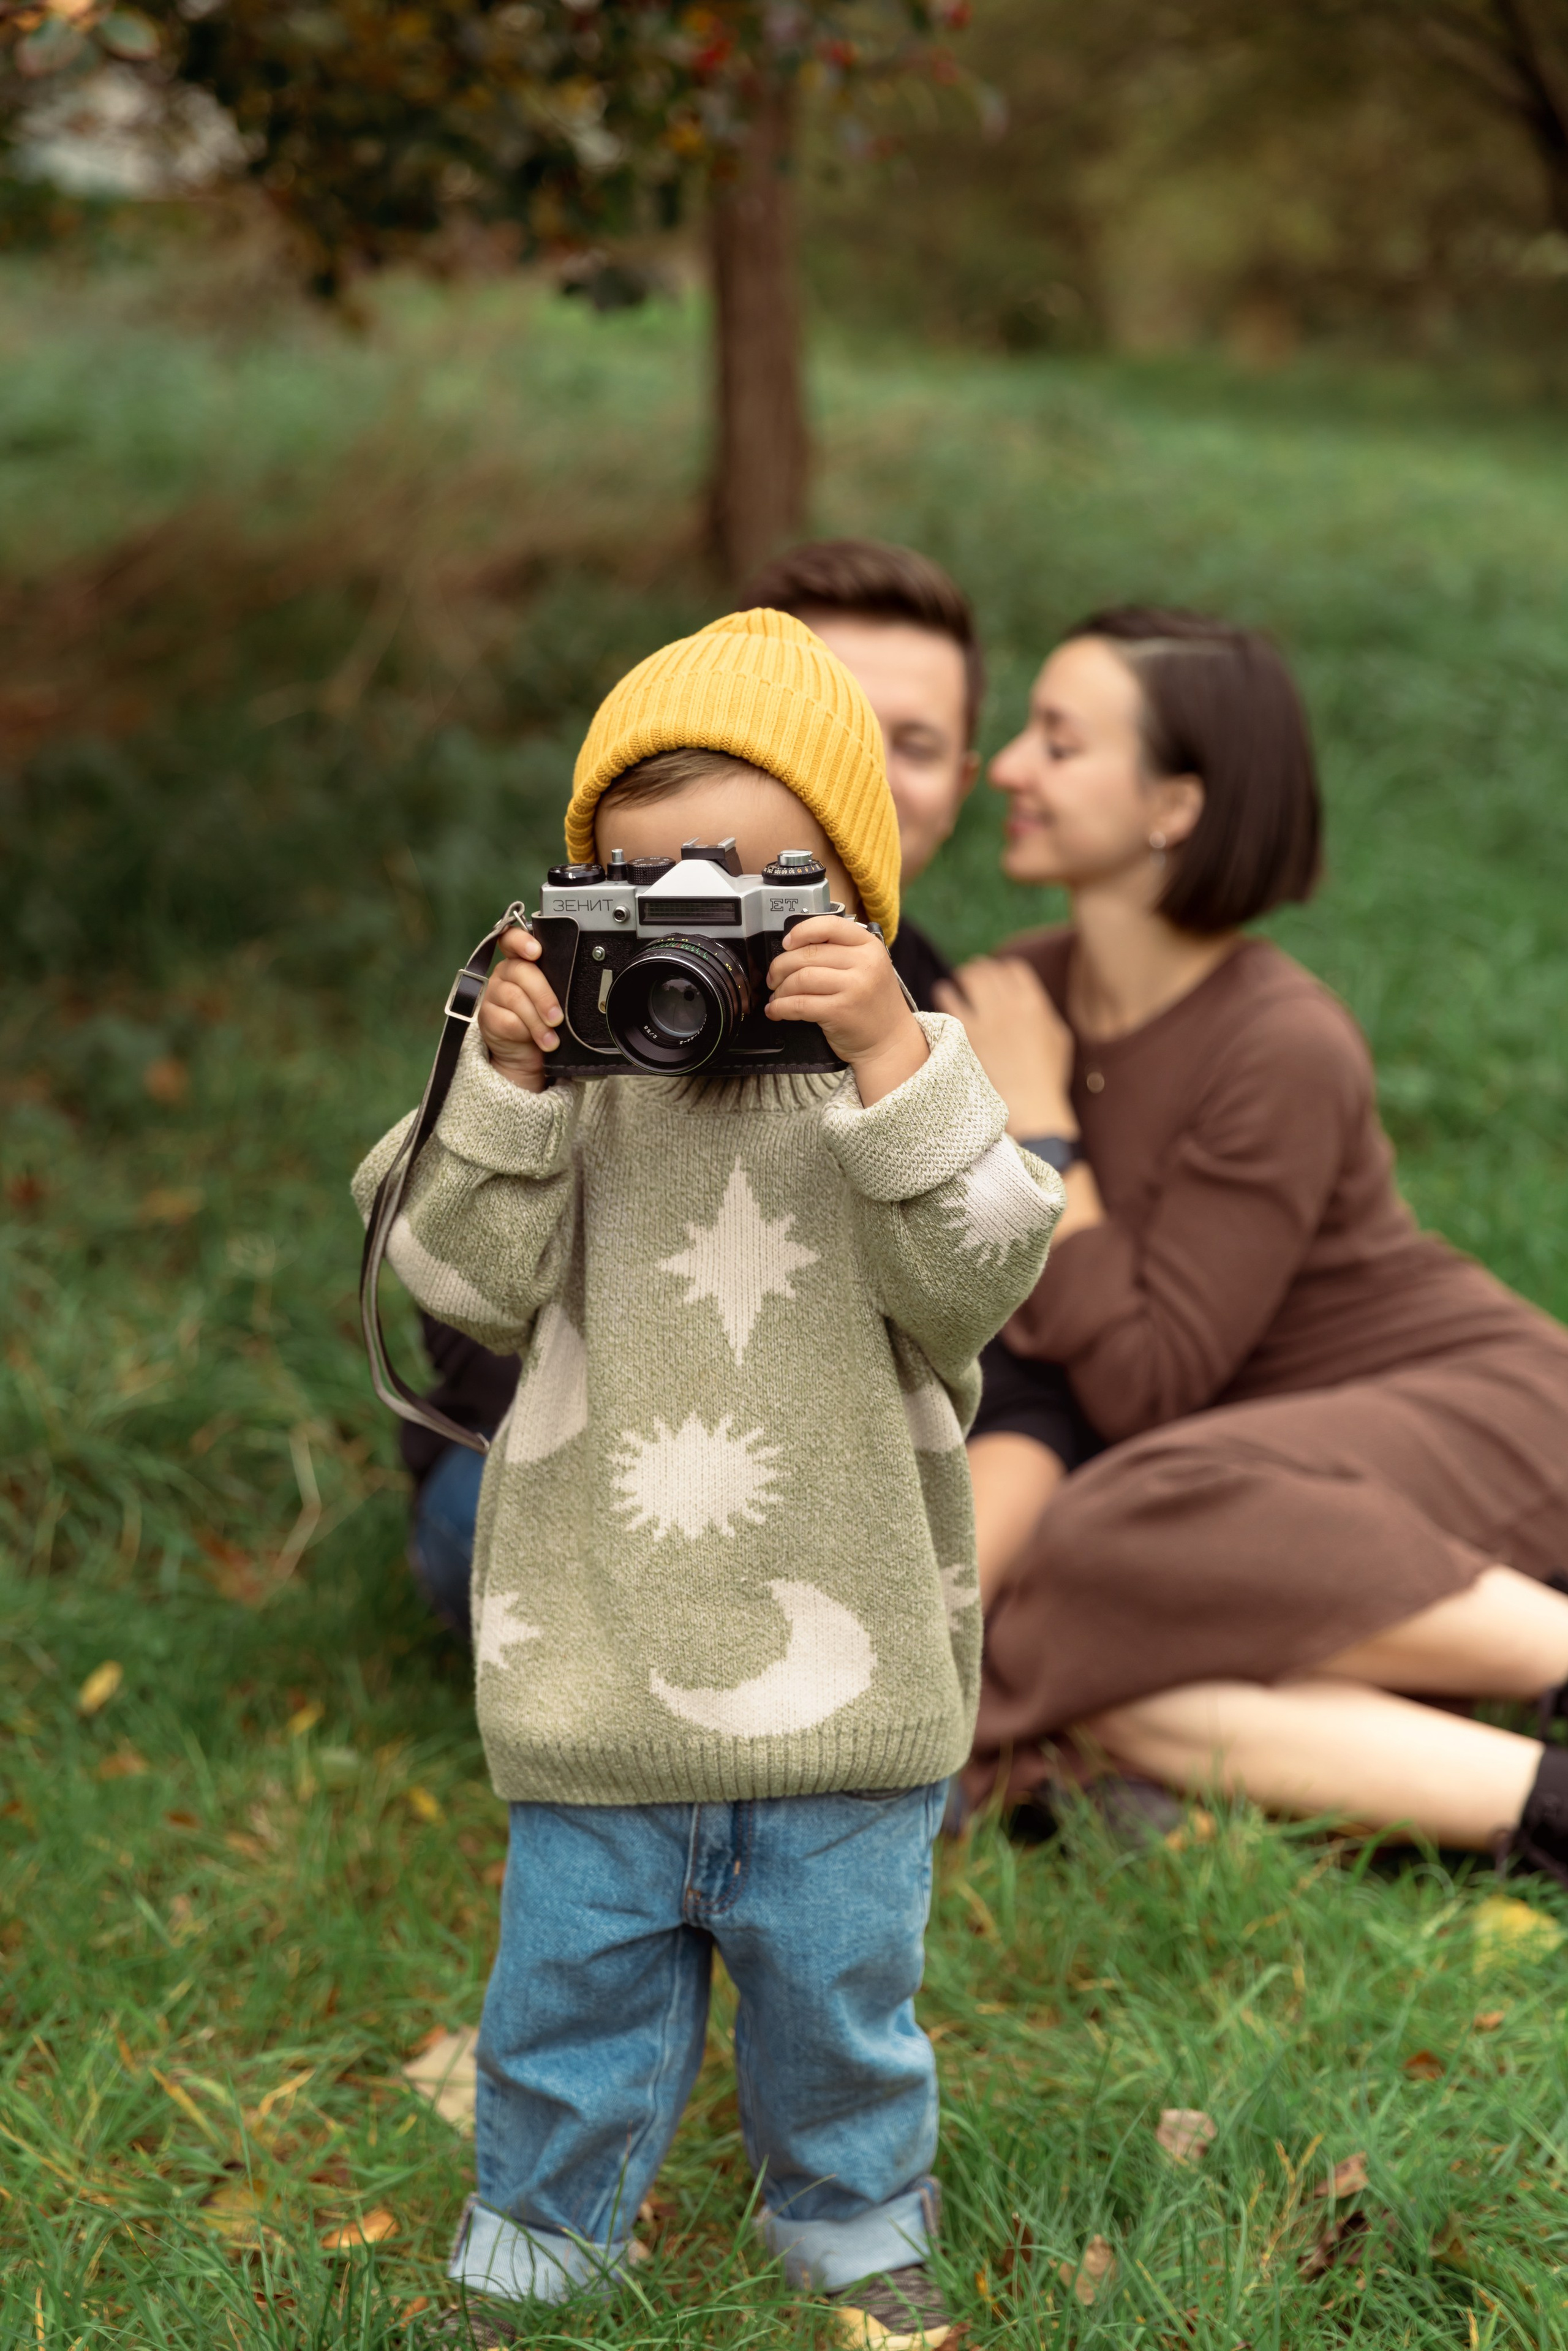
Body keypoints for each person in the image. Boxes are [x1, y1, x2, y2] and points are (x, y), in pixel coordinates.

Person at [353, 608, 1061, 2342]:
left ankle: (854, 2225)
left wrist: (894, 1056)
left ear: (864, 900)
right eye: (651, 886)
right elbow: (450, 1282)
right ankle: (535, 2245)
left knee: (842, 2005)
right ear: (577, 891)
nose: (701, 934)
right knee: (563, 2004)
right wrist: (511, 1073)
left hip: (858, 1681)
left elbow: (983, 1272)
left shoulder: (902, 1084)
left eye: (759, 886)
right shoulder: (570, 1085)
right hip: (596, 1664)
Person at [935, 605, 1568, 1877]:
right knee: (1104, 1656)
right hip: (1233, 1478)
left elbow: (1144, 1381)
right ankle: (1537, 1802)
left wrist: (1049, 1143)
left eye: (1057, 743)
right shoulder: (1019, 991)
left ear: (1175, 804)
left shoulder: (1279, 1040)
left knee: (1110, 1536)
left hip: (1467, 1413)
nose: (1003, 767)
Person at [401, 540, 1093, 1636]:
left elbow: (990, 1325)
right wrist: (512, 1086)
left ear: (956, 779)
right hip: (576, 1469)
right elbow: (465, 1304)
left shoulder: (933, 1022)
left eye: (899, 742)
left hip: (829, 1497)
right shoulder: (584, 1016)